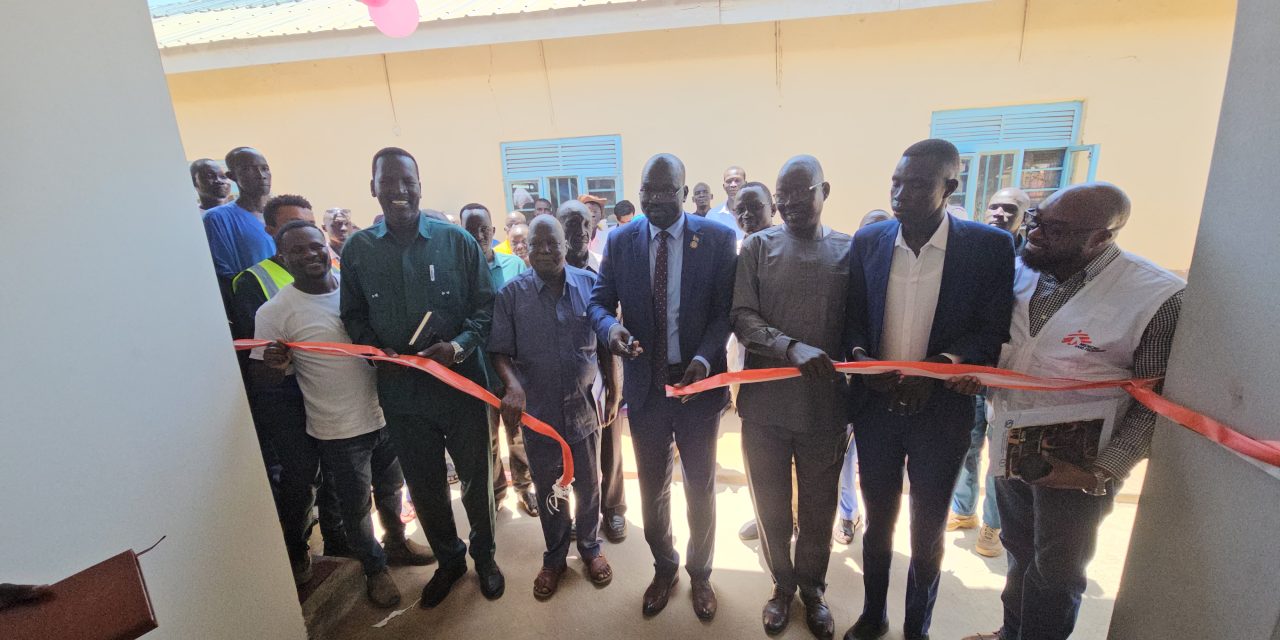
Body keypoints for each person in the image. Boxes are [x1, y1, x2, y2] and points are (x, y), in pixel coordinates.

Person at [958, 183, 1184, 640]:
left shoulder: (1156, 296)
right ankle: (1010, 633)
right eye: (1037, 218)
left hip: (1079, 467)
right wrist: (978, 374)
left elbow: (1155, 402)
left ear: (1101, 237)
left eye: (1054, 229)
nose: (1035, 232)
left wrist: (1102, 471)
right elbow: (1012, 349)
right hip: (1013, 446)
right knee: (1017, 550)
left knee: (1057, 573)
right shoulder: (1022, 270)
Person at [843, 139, 1015, 640]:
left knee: (926, 530)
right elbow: (854, 319)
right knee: (878, 523)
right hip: (876, 408)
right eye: (896, 181)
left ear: (950, 187)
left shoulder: (987, 247)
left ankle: (917, 627)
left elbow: (991, 329)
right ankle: (874, 615)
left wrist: (937, 368)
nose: (901, 193)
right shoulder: (870, 240)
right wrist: (859, 359)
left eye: (917, 184)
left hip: (941, 410)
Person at [341, 147, 504, 608]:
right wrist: (378, 351)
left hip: (461, 386)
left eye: (407, 181)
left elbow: (485, 307)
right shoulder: (358, 251)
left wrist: (456, 347)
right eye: (387, 182)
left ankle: (486, 558)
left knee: (476, 479)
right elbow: (352, 316)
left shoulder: (456, 243)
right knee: (425, 485)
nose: (398, 190)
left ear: (419, 184)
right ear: (373, 188)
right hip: (403, 396)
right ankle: (450, 562)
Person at [252, 220, 433, 608]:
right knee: (354, 508)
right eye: (297, 251)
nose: (310, 255)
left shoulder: (357, 288)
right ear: (282, 258)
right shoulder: (276, 311)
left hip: (386, 414)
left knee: (391, 489)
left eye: (315, 246)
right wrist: (273, 361)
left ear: (328, 246)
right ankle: (374, 568)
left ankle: (397, 542)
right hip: (338, 428)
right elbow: (261, 376)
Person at [588, 153, 736, 620]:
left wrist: (702, 358)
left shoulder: (716, 238)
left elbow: (723, 313)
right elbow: (599, 302)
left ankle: (701, 573)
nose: (653, 200)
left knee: (699, 488)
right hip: (646, 390)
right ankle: (665, 566)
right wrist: (611, 330)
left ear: (684, 191)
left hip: (697, 386)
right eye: (646, 191)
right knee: (652, 489)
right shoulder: (622, 239)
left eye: (664, 191)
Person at [733, 156, 850, 639]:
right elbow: (741, 317)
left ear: (825, 190)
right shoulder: (758, 248)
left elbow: (860, 324)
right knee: (772, 506)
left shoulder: (850, 250)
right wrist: (790, 347)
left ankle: (814, 590)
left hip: (825, 411)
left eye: (802, 192)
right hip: (765, 409)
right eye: (783, 195)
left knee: (819, 509)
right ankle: (781, 586)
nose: (791, 203)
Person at [490, 216, 620, 600]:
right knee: (550, 489)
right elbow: (499, 351)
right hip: (540, 415)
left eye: (553, 243)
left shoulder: (590, 284)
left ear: (566, 245)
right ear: (524, 247)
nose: (545, 251)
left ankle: (591, 549)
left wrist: (614, 392)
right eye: (537, 244)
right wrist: (512, 386)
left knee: (589, 484)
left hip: (584, 410)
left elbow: (606, 342)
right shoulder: (511, 296)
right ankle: (555, 557)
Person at [230, 195, 354, 575]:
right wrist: (276, 364)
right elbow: (258, 365)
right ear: (277, 244)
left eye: (314, 238)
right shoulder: (255, 284)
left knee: (338, 476)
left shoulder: (345, 284)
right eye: (292, 239)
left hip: (332, 394)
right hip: (288, 400)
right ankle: (296, 547)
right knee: (300, 478)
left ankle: (340, 545)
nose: (309, 252)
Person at [949, 188, 1031, 558]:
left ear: (1023, 217)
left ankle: (992, 526)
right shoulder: (977, 253)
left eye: (1009, 209)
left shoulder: (1033, 262)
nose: (999, 213)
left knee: (1000, 454)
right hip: (976, 369)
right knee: (968, 443)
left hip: (1010, 376)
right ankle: (963, 511)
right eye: (994, 206)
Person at [461, 203, 538, 518]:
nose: (479, 235)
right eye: (471, 229)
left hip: (512, 372)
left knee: (518, 436)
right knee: (487, 440)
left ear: (493, 232)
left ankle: (524, 488)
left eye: (484, 229)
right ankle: (496, 492)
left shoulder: (514, 266)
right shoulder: (458, 274)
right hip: (476, 371)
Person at [559, 201, 626, 542]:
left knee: (610, 445)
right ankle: (578, 515)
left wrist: (615, 390)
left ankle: (613, 510)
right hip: (565, 381)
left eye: (586, 224)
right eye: (571, 224)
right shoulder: (545, 271)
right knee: (571, 452)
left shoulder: (603, 270)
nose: (581, 232)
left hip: (602, 373)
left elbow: (611, 338)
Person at [203, 147, 276, 317]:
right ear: (232, 176)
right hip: (257, 309)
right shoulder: (218, 218)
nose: (260, 174)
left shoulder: (280, 212)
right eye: (248, 169)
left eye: (265, 168)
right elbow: (225, 273)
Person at [707, 165, 748, 242]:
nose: (733, 185)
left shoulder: (755, 213)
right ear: (724, 186)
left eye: (737, 180)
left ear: (745, 183)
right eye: (729, 181)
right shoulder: (712, 215)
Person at [984, 187, 1031, 253]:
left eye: (1009, 209)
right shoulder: (968, 247)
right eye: (993, 207)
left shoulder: (1032, 256)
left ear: (1025, 218)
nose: (998, 213)